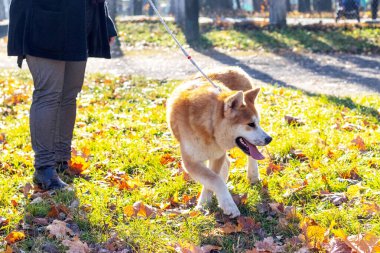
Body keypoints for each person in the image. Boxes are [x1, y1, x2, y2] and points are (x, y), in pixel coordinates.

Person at [7, 0, 117, 190]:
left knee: (69, 95)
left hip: (79, 20)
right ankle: (44, 168)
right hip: (44, 18)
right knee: (49, 94)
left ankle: (60, 161)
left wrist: (104, 22)